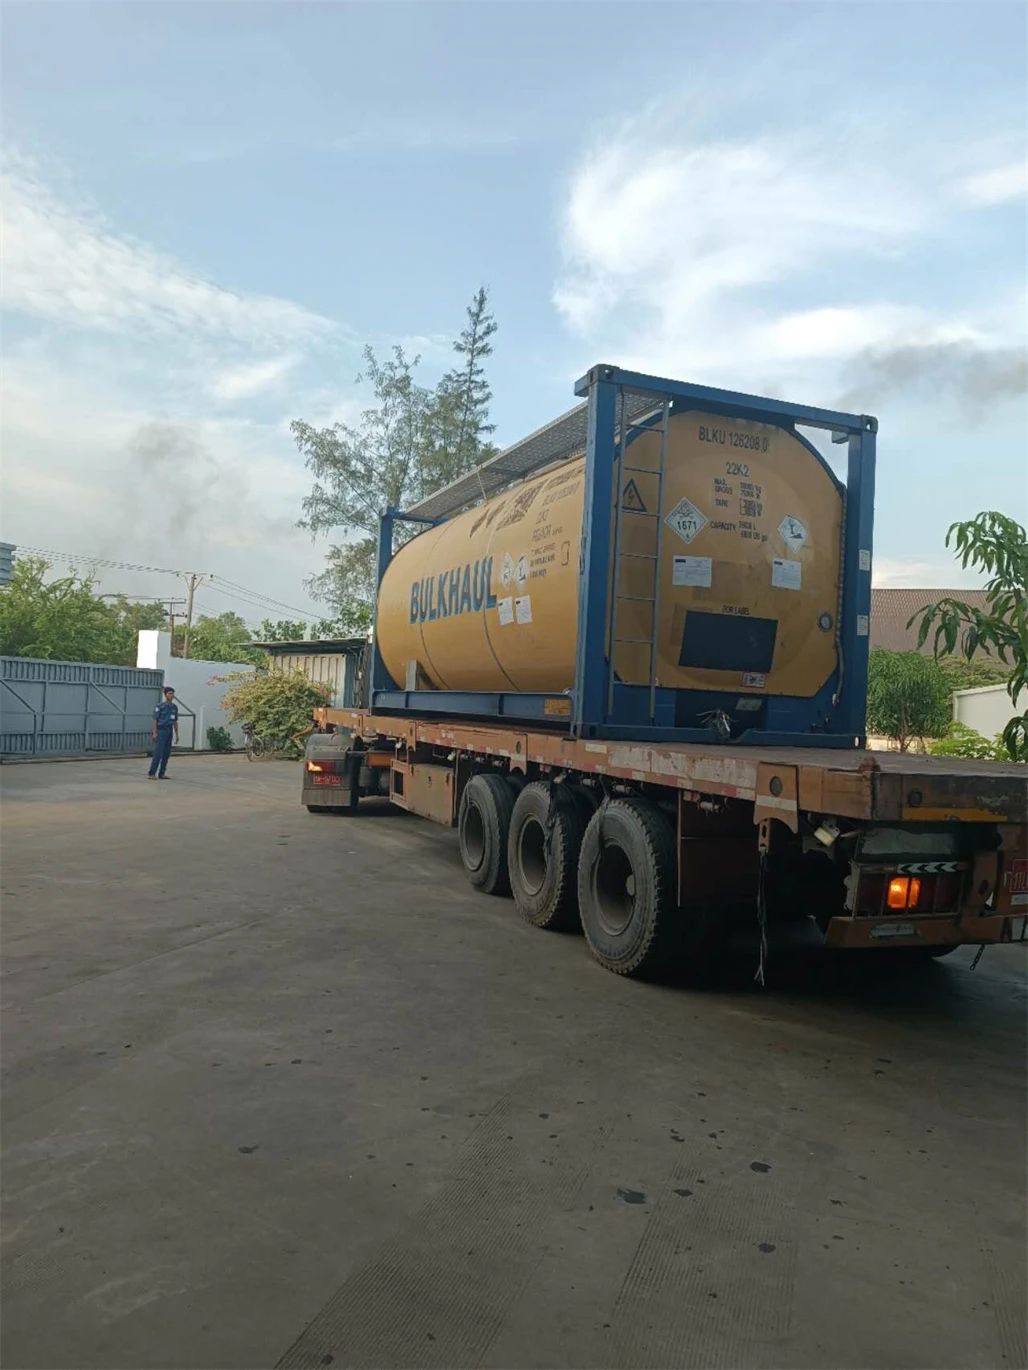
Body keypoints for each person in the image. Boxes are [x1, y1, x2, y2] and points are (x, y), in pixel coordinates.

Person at [148, 686, 180, 779]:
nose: (172, 695)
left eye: (173, 694)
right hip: (161, 730)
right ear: (165, 695)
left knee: (166, 753)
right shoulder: (160, 706)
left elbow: (175, 721)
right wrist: (154, 732)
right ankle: (152, 773)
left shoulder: (174, 707)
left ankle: (162, 773)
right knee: (158, 753)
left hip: (169, 730)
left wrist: (177, 734)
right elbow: (155, 720)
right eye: (170, 693)